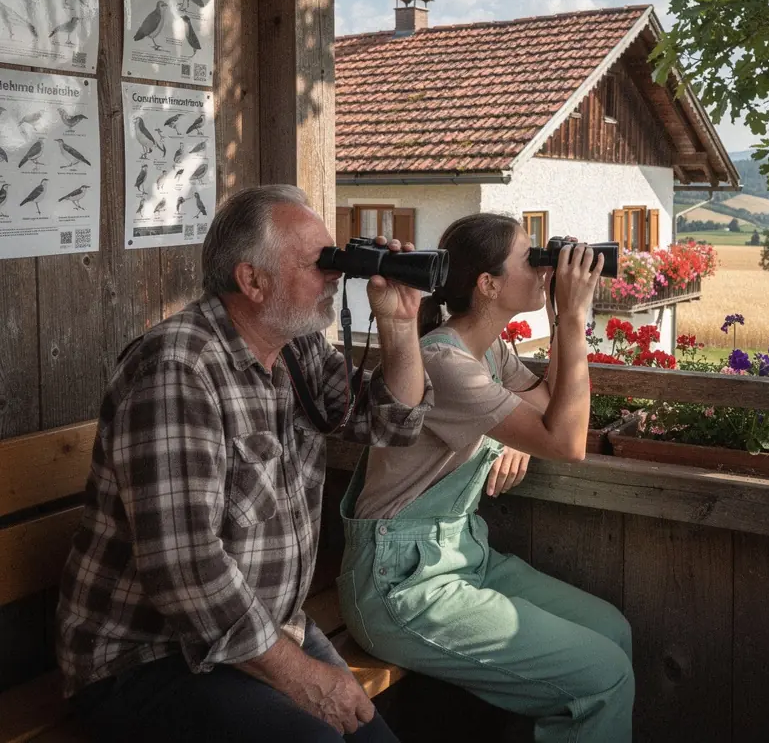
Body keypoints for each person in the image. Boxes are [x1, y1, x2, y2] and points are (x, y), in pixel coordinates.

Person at [56, 185, 432, 743]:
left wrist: (400, 325)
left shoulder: (295, 349)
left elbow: (391, 422)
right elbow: (186, 571)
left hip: (263, 631)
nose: (335, 275)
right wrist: (304, 678)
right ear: (252, 281)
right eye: (319, 263)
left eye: (336, 259)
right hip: (147, 660)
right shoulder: (178, 370)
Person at [337, 214, 635, 743]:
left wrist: (564, 313)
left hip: (461, 555)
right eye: (532, 258)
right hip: (401, 581)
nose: (545, 267)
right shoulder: (444, 361)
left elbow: (546, 406)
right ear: (488, 284)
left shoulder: (489, 351)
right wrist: (574, 318)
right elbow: (565, 442)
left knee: (610, 630)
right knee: (602, 678)